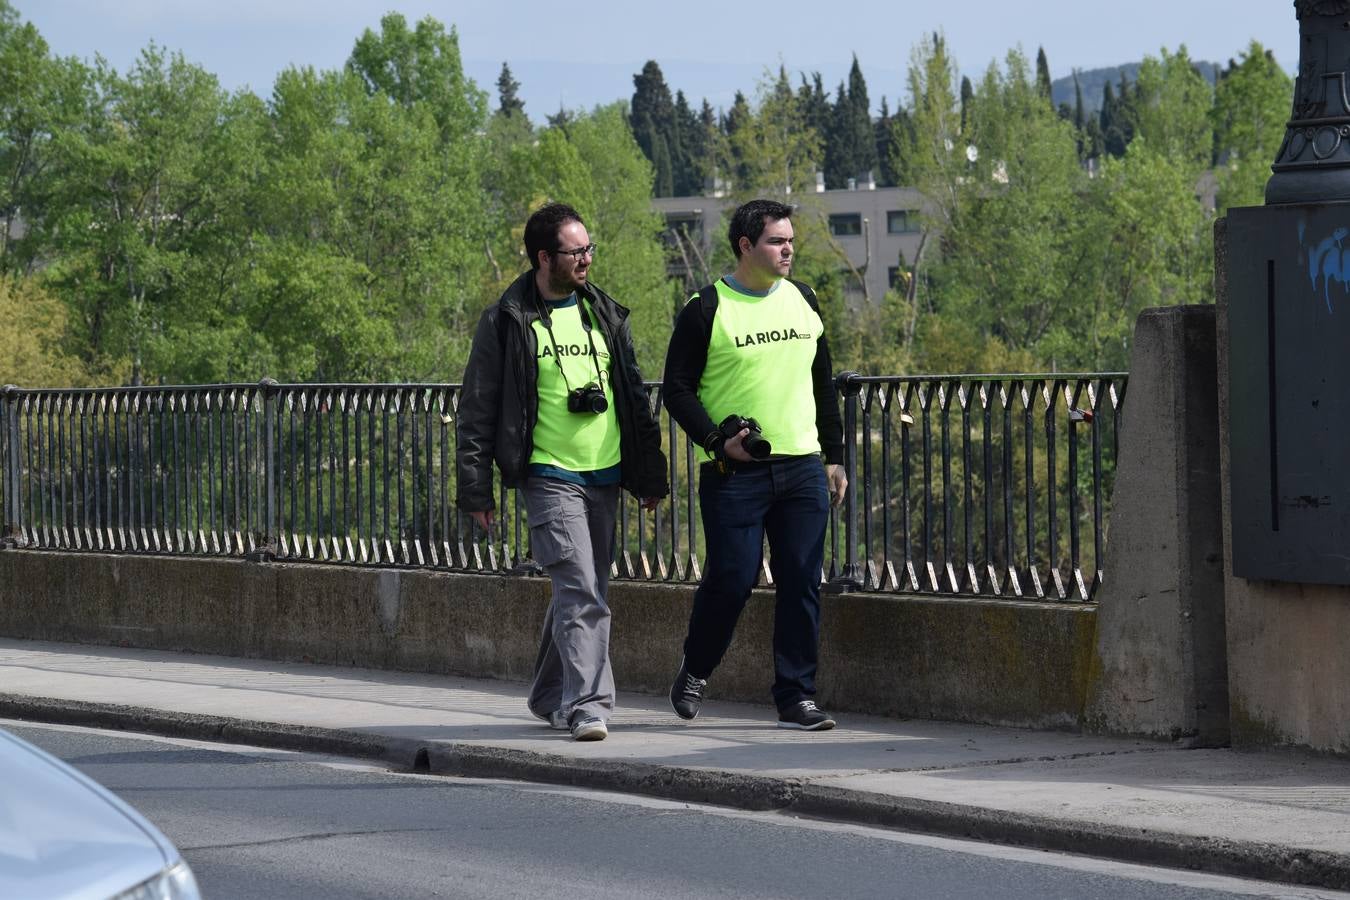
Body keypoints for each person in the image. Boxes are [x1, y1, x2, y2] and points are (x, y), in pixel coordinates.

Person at [456, 202, 668, 742]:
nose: (587, 259)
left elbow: (634, 395)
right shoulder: (506, 319)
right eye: (577, 251)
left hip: (607, 473)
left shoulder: (603, 312)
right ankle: (588, 705)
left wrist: (648, 475)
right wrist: (476, 489)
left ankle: (550, 694)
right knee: (581, 589)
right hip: (549, 476)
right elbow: (478, 409)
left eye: (590, 248)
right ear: (544, 257)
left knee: (583, 589)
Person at [661, 198, 847, 731]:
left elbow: (822, 385)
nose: (788, 249)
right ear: (746, 246)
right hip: (734, 472)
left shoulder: (804, 299)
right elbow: (676, 389)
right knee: (734, 578)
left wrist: (834, 457)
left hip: (802, 466)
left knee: (801, 581)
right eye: (776, 241)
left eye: (790, 240)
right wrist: (718, 442)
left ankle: (797, 695)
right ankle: (696, 668)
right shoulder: (706, 307)